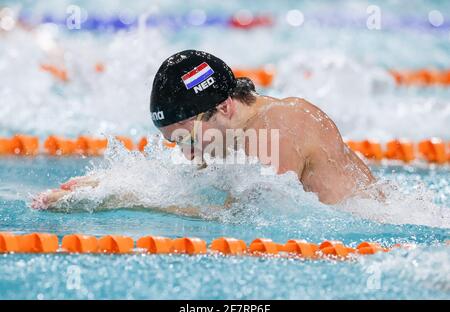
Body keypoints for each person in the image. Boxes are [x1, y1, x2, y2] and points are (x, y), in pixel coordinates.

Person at [32, 49, 375, 212]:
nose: (187, 153)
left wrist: (125, 201)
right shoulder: (230, 133)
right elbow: (198, 188)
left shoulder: (280, 125)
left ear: (224, 106)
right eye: (175, 143)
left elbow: (248, 217)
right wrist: (111, 183)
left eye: (188, 138)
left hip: (370, 241)